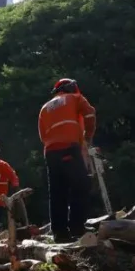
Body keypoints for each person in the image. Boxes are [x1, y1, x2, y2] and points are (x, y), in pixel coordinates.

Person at [38, 78, 97, 242]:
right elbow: (90, 113)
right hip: (69, 148)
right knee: (81, 185)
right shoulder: (75, 98)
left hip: (50, 151)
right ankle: (77, 227)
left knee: (57, 191)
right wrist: (88, 136)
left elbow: (43, 135)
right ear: (72, 88)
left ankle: (59, 232)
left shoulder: (44, 108)